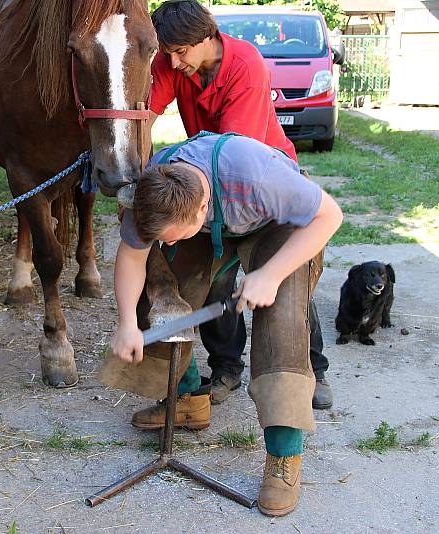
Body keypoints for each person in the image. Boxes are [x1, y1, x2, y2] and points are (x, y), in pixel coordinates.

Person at [111, 132, 343, 516]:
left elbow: (330, 215)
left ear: (202, 208)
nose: (165, 244)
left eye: (172, 238)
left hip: (278, 226)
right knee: (162, 293)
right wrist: (125, 323)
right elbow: (133, 257)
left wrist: (270, 274)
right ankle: (186, 400)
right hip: (208, 227)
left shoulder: (258, 175)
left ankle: (284, 457)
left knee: (280, 323)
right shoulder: (154, 190)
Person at [146, 0, 333, 409]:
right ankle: (226, 367)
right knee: (213, 277)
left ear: (208, 37)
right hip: (206, 184)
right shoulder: (172, 58)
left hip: (259, 181)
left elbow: (235, 151)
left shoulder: (245, 64)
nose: (174, 64)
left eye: (181, 53)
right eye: (168, 54)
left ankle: (313, 367)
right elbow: (144, 113)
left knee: (286, 279)